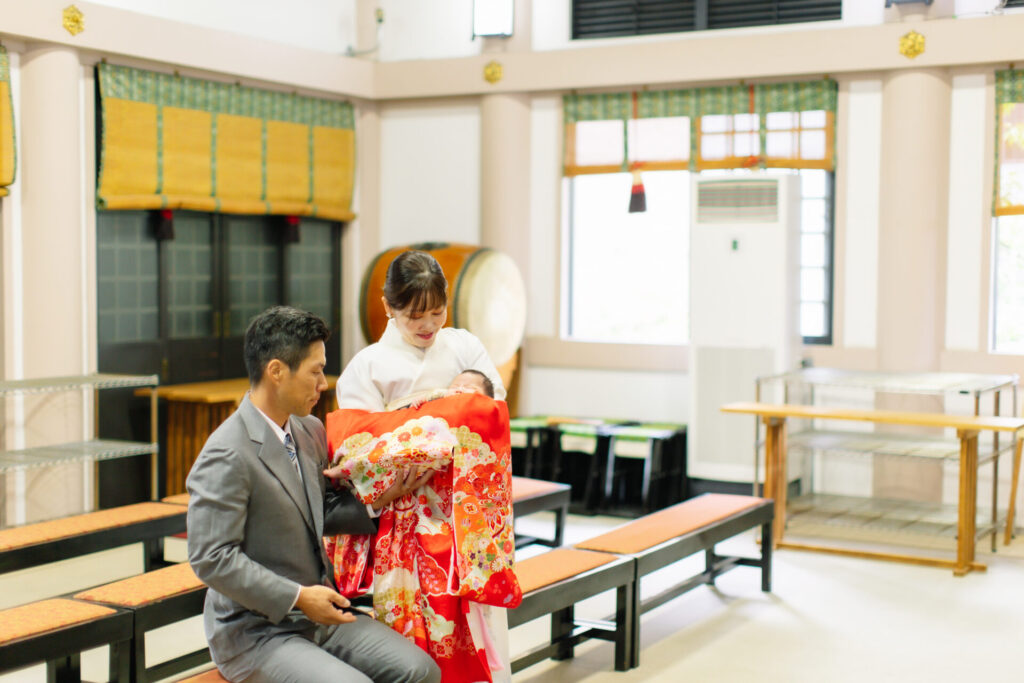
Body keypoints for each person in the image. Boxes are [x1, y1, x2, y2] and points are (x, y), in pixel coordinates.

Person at [186, 306, 441, 683]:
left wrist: (377, 499)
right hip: (256, 631)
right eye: (315, 371)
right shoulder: (227, 452)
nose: (323, 383)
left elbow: (316, 511)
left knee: (422, 671)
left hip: (319, 615)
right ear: (276, 371)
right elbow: (211, 558)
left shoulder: (308, 430)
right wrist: (298, 597)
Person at [336, 250, 505, 413]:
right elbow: (363, 428)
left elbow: (494, 405)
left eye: (437, 312)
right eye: (415, 316)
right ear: (388, 307)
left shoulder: (466, 346)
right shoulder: (365, 367)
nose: (429, 325)